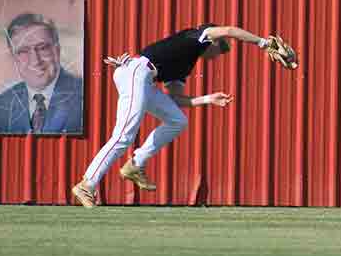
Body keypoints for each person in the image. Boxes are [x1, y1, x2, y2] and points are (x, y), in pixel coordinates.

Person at [71, 23, 278, 206]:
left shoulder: (186, 63)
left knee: (177, 120)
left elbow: (177, 99)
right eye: (220, 50)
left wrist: (207, 99)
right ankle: (87, 184)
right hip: (136, 72)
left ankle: (135, 165)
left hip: (144, 80)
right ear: (214, 42)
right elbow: (230, 30)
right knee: (124, 136)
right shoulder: (195, 37)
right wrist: (263, 43)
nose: (217, 56)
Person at [0, 13, 84, 134]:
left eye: (43, 48)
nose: (35, 60)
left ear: (57, 50)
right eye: (23, 51)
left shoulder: (85, 96)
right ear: (14, 57)